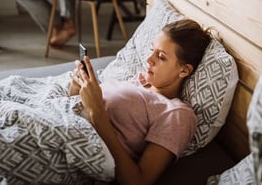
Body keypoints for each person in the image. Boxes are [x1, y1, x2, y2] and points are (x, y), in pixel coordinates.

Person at [69, 18, 212, 185]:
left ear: (184, 70)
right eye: (152, 50)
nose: (148, 59)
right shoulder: (138, 81)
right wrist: (77, 85)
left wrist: (97, 113)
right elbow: (75, 104)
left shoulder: (176, 114)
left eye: (161, 56)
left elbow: (138, 181)